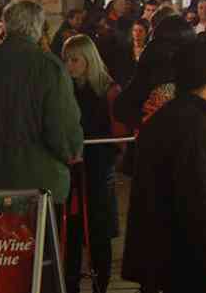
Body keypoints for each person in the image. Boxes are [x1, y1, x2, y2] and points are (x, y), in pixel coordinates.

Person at [122, 38, 206, 293]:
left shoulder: (163, 121)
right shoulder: (196, 129)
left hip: (163, 265)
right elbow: (200, 207)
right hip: (192, 270)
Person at [0, 1, 84, 203]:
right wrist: (71, 152)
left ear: (6, 24)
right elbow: (61, 123)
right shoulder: (49, 66)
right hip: (39, 178)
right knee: (40, 234)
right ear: (37, 26)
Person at [62, 35, 127, 293]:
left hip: (98, 166)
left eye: (74, 59)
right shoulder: (65, 89)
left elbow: (118, 133)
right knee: (72, 229)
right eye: (66, 59)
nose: (69, 65)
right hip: (72, 165)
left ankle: (101, 283)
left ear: (88, 60)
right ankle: (71, 283)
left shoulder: (108, 90)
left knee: (98, 230)